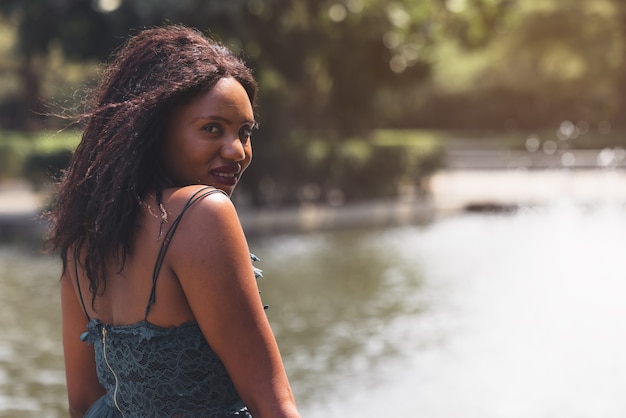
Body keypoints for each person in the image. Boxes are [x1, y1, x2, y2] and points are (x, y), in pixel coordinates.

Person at [46, 25, 301, 418]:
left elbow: (82, 405)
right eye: (211, 128)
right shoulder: (202, 212)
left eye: (245, 132)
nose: (237, 151)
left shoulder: (83, 237)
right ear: (154, 130)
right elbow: (273, 402)